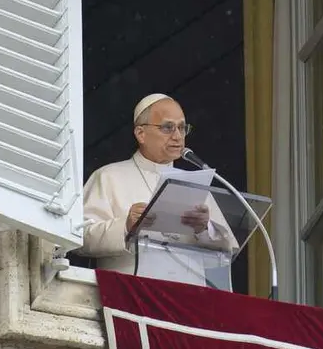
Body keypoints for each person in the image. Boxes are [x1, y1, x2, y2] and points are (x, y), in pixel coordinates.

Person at [80, 93, 238, 282]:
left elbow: (227, 251)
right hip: (130, 295)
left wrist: (205, 229)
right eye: (167, 127)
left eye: (182, 127)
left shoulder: (195, 182)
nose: (178, 136)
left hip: (189, 298)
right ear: (141, 134)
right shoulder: (108, 176)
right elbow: (79, 238)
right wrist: (126, 226)